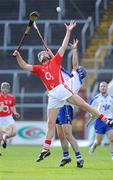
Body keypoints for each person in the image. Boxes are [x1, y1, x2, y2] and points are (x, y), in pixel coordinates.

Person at [13, 20, 113, 163]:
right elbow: (24, 66)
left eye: (43, 54)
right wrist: (18, 56)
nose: (42, 55)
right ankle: (45, 149)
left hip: (62, 89)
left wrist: (68, 31)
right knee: (50, 123)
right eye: (40, 55)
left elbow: (63, 46)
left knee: (84, 105)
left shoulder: (55, 61)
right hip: (52, 95)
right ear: (40, 59)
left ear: (47, 56)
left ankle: (106, 120)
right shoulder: (39, 69)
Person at [56, 39, 86, 168]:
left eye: (78, 69)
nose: (76, 68)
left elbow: (74, 65)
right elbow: (73, 65)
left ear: (80, 73)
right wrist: (74, 49)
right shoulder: (72, 77)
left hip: (66, 106)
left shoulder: (76, 80)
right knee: (60, 135)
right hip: (58, 105)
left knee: (68, 135)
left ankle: (79, 158)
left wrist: (74, 50)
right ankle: (66, 156)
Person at [89, 81, 113, 160]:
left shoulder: (111, 98)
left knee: (111, 138)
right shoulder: (96, 99)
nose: (103, 88)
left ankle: (112, 155)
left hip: (109, 121)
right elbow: (90, 109)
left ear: (107, 88)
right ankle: (94, 145)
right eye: (101, 86)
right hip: (100, 121)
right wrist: (91, 114)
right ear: (99, 88)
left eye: (104, 86)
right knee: (98, 141)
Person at [0, 82, 20, 154]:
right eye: (3, 88)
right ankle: (3, 138)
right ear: (1, 88)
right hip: (0, 118)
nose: (5, 89)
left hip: (8, 117)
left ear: (9, 89)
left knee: (14, 132)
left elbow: (12, 107)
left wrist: (15, 113)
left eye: (6, 88)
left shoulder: (11, 97)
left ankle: (5, 136)